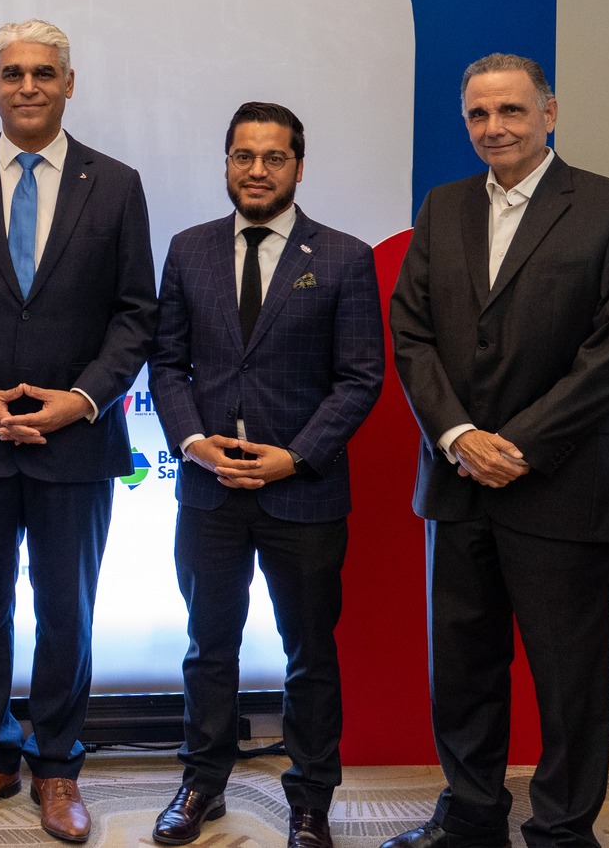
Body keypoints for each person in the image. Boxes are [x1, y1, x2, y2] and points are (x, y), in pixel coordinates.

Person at [384, 54, 609, 848]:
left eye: (511, 109)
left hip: (562, 484)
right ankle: (472, 816)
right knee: (463, 668)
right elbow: (411, 332)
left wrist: (522, 445)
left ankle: (563, 831)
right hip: (457, 480)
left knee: (569, 679)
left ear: (549, 111)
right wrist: (459, 436)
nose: (494, 127)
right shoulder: (443, 207)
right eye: (479, 113)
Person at [0, 19, 157, 842]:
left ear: (69, 83)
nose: (28, 86)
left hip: (76, 440)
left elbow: (135, 313)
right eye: (12, 72)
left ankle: (57, 765)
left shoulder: (115, 184)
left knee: (66, 612)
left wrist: (81, 399)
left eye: (44, 72)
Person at [147, 102, 384, 848]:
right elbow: (167, 364)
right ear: (226, 163)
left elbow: (360, 377)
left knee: (309, 652)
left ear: (299, 167)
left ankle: (311, 799)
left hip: (304, 491)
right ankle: (202, 783)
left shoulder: (343, 256)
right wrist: (192, 443)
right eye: (243, 156)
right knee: (208, 645)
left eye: (273, 157)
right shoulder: (188, 249)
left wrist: (296, 455)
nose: (257, 170)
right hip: (210, 489)